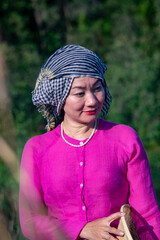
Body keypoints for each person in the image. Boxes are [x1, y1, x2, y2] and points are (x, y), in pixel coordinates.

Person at [19, 44, 160, 240]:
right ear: (60, 99)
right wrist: (83, 229)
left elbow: (148, 216)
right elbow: (30, 222)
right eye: (79, 93)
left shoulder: (125, 139)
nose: (92, 100)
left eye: (97, 88)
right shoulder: (36, 149)